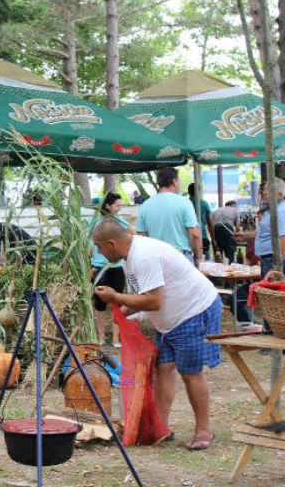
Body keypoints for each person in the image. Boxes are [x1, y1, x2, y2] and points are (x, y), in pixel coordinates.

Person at [93, 219, 222, 451]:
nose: (98, 252)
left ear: (111, 243)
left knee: (190, 372)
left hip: (193, 310)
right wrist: (125, 310)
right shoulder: (130, 257)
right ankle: (160, 428)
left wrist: (117, 298)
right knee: (163, 368)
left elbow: (154, 300)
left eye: (99, 247)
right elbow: (146, 294)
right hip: (170, 320)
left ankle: (204, 430)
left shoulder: (143, 256)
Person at [136, 167, 203, 265]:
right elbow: (195, 234)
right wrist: (198, 258)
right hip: (180, 258)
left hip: (156, 259)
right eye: (178, 181)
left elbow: (142, 236)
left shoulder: (145, 205)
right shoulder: (184, 202)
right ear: (174, 181)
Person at [89, 192, 130, 347]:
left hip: (117, 267)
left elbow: (130, 233)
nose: (120, 208)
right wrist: (91, 265)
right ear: (108, 206)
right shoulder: (95, 223)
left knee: (117, 303)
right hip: (100, 268)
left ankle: (115, 338)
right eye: (117, 205)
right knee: (99, 305)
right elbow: (89, 246)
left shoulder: (120, 222)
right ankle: (101, 337)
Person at [235, 178, 285, 277]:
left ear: (279, 194)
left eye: (268, 190)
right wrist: (245, 235)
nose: (264, 193)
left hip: (273, 261)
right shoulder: (271, 210)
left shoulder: (281, 212)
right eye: (265, 190)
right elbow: (265, 232)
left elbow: (284, 239)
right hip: (268, 260)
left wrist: (276, 267)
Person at [187, 183, 215, 260]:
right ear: (198, 191)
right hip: (202, 236)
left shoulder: (185, 203)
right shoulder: (204, 204)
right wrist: (213, 240)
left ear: (189, 192)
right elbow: (210, 223)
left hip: (188, 237)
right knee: (205, 263)